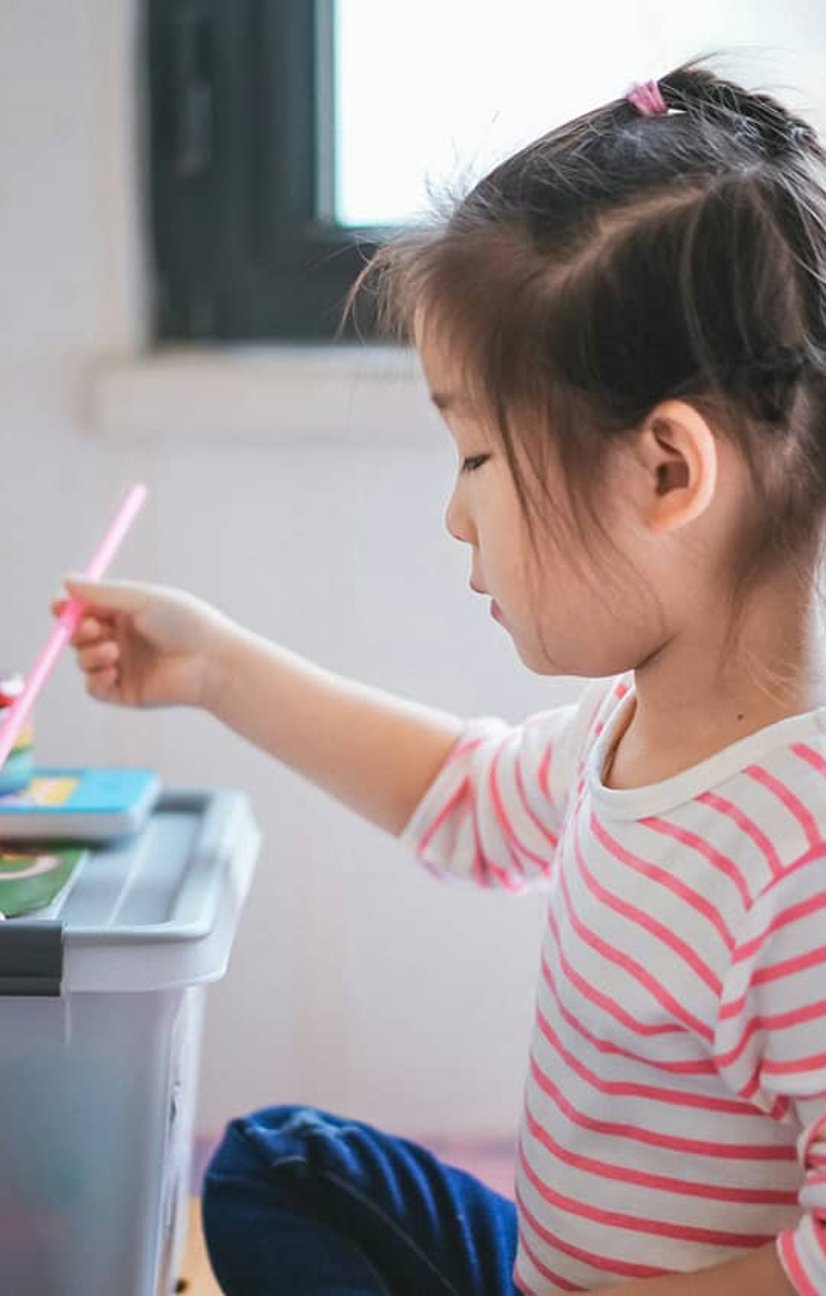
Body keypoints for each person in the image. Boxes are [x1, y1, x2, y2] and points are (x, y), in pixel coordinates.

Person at [55, 55, 826, 1296]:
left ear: (667, 474)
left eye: (475, 455)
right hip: (542, 1266)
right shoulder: (623, 733)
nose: (456, 519)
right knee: (278, 1167)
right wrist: (216, 668)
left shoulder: (796, 860)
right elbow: (465, 798)